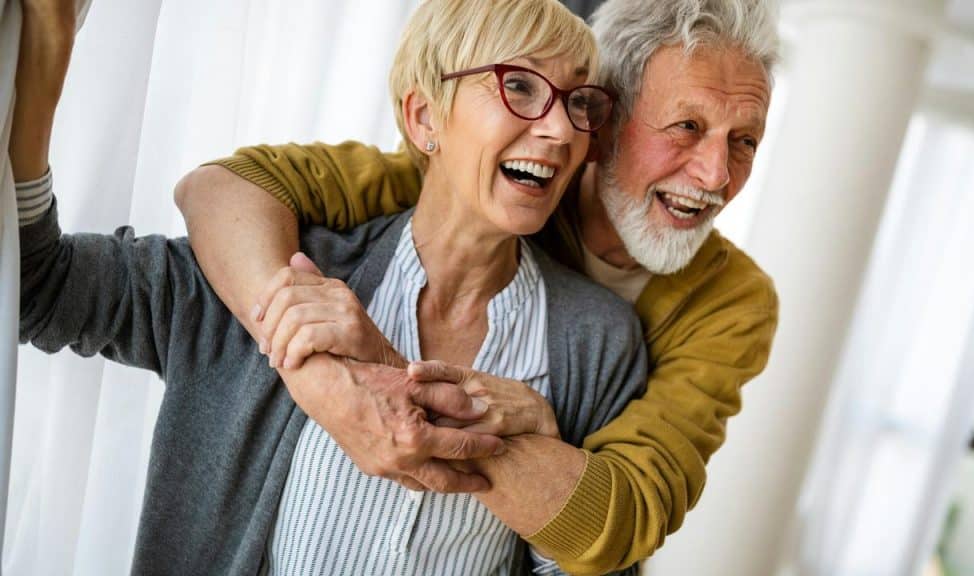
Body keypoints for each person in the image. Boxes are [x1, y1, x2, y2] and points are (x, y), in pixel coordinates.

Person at [13, 0, 646, 574]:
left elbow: (595, 563)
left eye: (578, 103)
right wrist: (41, 72)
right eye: (518, 85)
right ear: (425, 115)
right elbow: (36, 288)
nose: (562, 132)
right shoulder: (278, 270)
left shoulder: (597, 341)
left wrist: (394, 369)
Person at [176, 0, 782, 573]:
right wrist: (320, 378)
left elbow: (627, 515)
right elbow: (224, 188)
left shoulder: (734, 301)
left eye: (744, 140)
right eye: (686, 126)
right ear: (604, 119)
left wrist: (409, 388)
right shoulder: (503, 177)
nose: (716, 175)